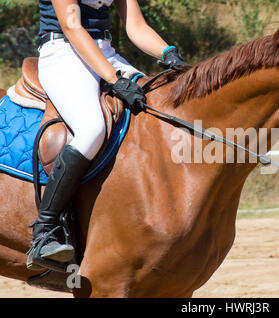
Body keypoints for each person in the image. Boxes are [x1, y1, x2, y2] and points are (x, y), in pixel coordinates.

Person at [27, 0, 188, 271]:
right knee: (92, 129)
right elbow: (71, 25)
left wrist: (168, 52)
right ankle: (45, 230)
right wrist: (113, 79)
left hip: (105, 53)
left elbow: (136, 26)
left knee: (157, 109)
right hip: (64, 52)